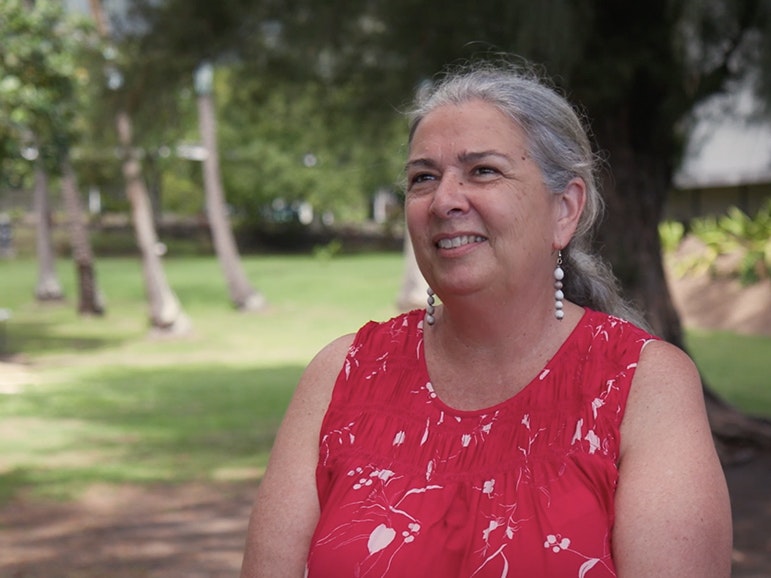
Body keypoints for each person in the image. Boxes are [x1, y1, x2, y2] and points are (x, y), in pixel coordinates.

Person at [239, 60, 732, 577]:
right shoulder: (342, 375)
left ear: (564, 209)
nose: (445, 200)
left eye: (483, 171)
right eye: (423, 178)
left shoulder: (643, 386)